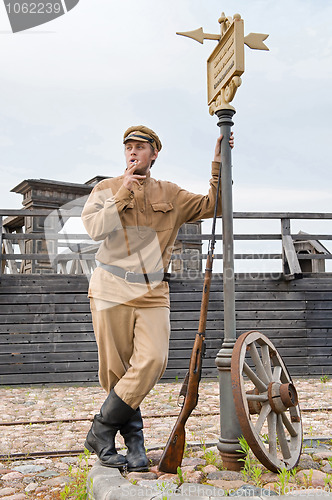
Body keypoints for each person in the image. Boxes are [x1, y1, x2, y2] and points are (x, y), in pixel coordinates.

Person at [81, 125, 233, 472]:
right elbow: (95, 230)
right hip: (111, 287)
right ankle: (134, 444)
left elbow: (217, 204)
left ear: (154, 154)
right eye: (128, 148)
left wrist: (219, 162)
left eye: (140, 148)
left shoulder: (171, 193)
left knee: (152, 361)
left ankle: (100, 430)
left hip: (152, 291)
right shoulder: (106, 189)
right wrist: (122, 193)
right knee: (116, 372)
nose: (132, 153)